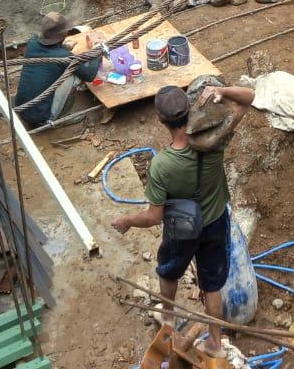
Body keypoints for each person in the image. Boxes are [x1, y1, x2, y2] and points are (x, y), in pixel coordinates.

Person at [110, 83, 257, 360]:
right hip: (215, 223)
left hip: (182, 229)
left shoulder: (162, 165)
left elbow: (155, 216)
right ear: (189, 109)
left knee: (168, 272)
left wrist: (128, 220)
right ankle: (215, 342)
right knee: (212, 284)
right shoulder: (214, 140)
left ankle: (167, 320)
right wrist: (222, 90)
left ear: (160, 120)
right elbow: (248, 98)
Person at [12, 12, 103, 128]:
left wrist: (65, 47)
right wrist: (97, 52)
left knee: (57, 72)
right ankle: (59, 117)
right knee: (74, 76)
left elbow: (48, 52)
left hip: (21, 108)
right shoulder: (63, 56)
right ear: (63, 34)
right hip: (40, 118)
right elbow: (89, 75)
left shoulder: (32, 43)